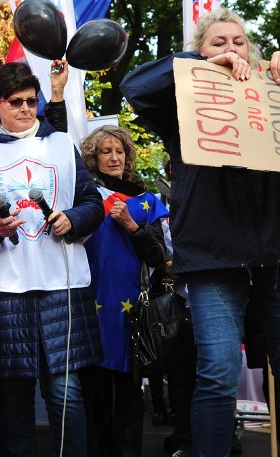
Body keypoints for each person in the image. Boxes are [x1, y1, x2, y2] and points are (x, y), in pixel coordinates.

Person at [120, 7, 280, 457]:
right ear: (198, 51)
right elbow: (133, 85)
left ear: (251, 49)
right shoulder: (181, 99)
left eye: (237, 42)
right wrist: (199, 68)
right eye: (218, 43)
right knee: (217, 373)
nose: (230, 49)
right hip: (214, 258)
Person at [0, 62, 104, 457]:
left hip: (62, 286)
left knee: (66, 396)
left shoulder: (62, 145)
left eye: (32, 102)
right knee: (12, 404)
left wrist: (71, 218)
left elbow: (93, 204)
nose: (25, 109)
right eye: (16, 102)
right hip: (4, 292)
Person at [78, 125, 168, 457]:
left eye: (120, 151)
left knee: (129, 393)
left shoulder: (147, 201)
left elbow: (159, 257)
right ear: (93, 157)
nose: (115, 157)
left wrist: (132, 226)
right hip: (88, 307)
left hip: (132, 314)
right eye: (106, 151)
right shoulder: (84, 198)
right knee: (92, 392)